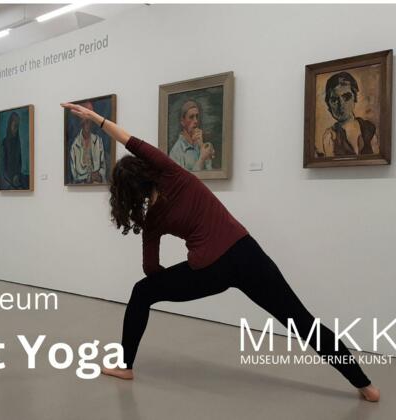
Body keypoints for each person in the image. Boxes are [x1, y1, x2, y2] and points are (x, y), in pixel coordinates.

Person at [61, 102, 381, 402]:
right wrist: (97, 119)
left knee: (142, 292)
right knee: (300, 320)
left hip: (208, 270)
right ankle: (364, 385)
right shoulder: (173, 173)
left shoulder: (151, 220)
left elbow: (151, 269)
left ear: (127, 194)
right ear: (146, 170)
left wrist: (172, 282)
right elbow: (131, 141)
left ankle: (125, 365)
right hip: (246, 252)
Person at [316, 71, 380, 158]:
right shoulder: (330, 136)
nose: (341, 104)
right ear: (329, 105)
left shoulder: (368, 128)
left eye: (346, 97)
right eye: (334, 100)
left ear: (355, 98)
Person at [169, 100, 215, 171]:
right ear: (182, 122)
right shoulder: (175, 152)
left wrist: (202, 146)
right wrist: (202, 158)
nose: (196, 121)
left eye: (197, 116)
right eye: (191, 117)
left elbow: (211, 172)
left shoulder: (202, 144)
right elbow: (184, 177)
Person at [69, 101, 106, 184]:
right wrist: (89, 177)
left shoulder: (98, 141)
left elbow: (103, 169)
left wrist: (99, 175)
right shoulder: (74, 146)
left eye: (90, 117)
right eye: (85, 119)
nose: (88, 122)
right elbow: (75, 175)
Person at [0, 111, 29, 190]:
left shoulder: (17, 142)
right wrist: (12, 177)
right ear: (10, 125)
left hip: (16, 177)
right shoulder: (4, 143)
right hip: (7, 179)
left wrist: (17, 175)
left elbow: (19, 162)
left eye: (17, 126)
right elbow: (3, 167)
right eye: (15, 126)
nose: (16, 129)